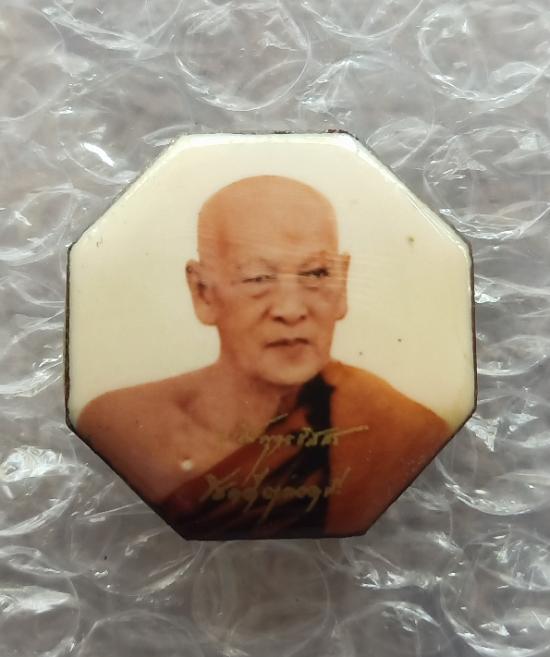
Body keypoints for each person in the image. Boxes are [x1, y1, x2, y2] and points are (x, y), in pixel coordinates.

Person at [76, 175, 450, 539]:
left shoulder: (401, 431)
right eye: (258, 278)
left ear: (342, 284)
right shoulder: (123, 427)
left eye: (316, 273)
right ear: (203, 292)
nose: (291, 309)